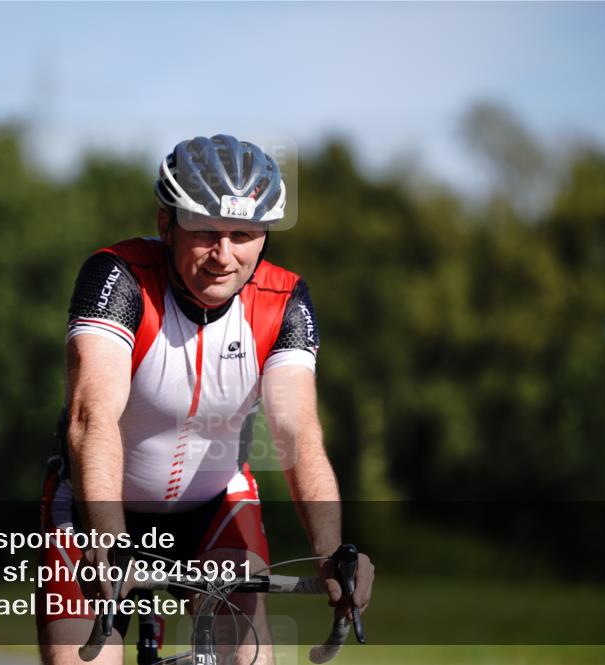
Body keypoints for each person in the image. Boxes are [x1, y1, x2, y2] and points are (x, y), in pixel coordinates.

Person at [37, 134, 373, 664]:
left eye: (242, 235)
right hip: (96, 508)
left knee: (247, 656)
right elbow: (90, 416)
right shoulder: (119, 278)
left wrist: (332, 552)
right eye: (205, 232)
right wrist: (107, 540)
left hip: (215, 506)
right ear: (166, 223)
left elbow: (297, 432)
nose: (223, 255)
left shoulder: (284, 301)